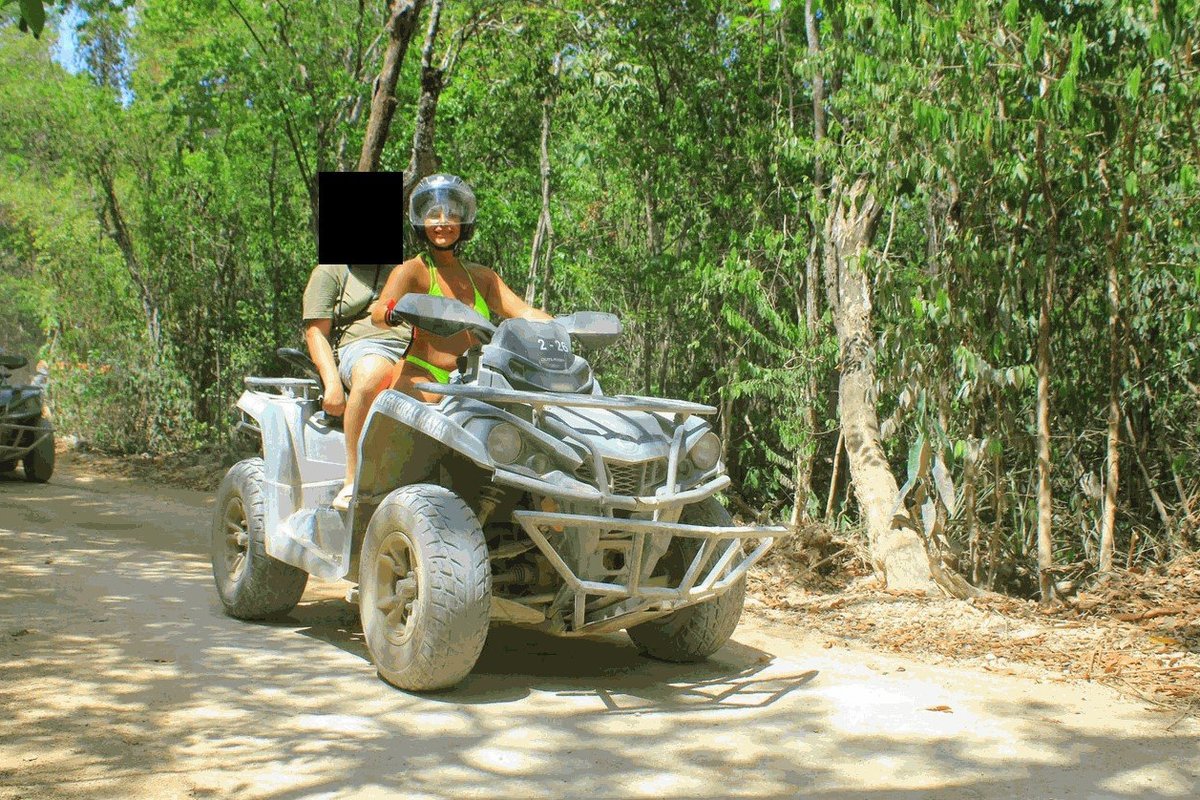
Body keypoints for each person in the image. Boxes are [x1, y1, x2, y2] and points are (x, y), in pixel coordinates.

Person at [371, 174, 551, 401]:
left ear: (463, 221)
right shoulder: (412, 271)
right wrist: (393, 314)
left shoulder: (482, 277)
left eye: (452, 215)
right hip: (424, 374)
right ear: (421, 222)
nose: (443, 222)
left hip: (475, 380)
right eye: (433, 215)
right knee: (424, 421)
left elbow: (523, 311)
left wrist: (557, 328)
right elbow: (377, 314)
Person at [302, 261, 409, 510]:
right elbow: (315, 332)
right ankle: (354, 480)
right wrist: (332, 384)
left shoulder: (406, 270)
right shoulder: (330, 271)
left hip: (413, 347)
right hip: (364, 347)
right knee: (375, 373)